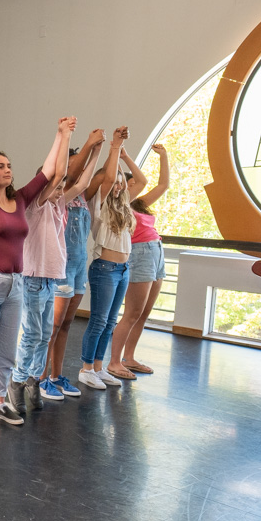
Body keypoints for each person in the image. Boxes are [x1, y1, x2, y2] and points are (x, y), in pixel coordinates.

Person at [0, 116, 74, 426]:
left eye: (9, 165)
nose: (7, 169)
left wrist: (60, 134)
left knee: (7, 351)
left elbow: (51, 171)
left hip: (16, 285)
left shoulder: (21, 198)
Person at [6, 118, 79, 410]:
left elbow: (79, 180)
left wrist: (106, 148)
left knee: (44, 333)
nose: (61, 187)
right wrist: (63, 135)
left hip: (50, 279)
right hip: (34, 278)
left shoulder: (58, 204)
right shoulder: (36, 205)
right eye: (56, 185)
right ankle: (17, 378)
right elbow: (59, 171)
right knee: (33, 333)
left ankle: (33, 379)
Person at [42, 130, 105, 395]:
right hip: (61, 267)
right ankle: (41, 378)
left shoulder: (81, 194)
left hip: (78, 267)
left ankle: (56, 376)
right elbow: (71, 175)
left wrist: (100, 150)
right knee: (52, 326)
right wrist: (89, 144)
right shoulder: (58, 191)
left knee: (66, 324)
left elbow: (95, 176)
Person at [105, 144, 170, 379]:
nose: (130, 187)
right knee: (132, 313)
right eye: (125, 184)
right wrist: (124, 156)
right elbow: (141, 180)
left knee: (143, 313)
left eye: (129, 184)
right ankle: (114, 362)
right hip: (140, 253)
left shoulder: (139, 204)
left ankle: (129, 358)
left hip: (156, 251)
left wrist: (164, 156)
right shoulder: (120, 203)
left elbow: (163, 185)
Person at [77, 127, 135, 390]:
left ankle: (99, 368)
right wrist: (115, 146)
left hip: (122, 269)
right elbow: (109, 177)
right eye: (114, 181)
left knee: (111, 321)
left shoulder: (123, 207)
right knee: (99, 320)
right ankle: (86, 368)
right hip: (104, 268)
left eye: (122, 181)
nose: (118, 184)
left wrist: (123, 155)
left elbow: (141, 181)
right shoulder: (97, 205)